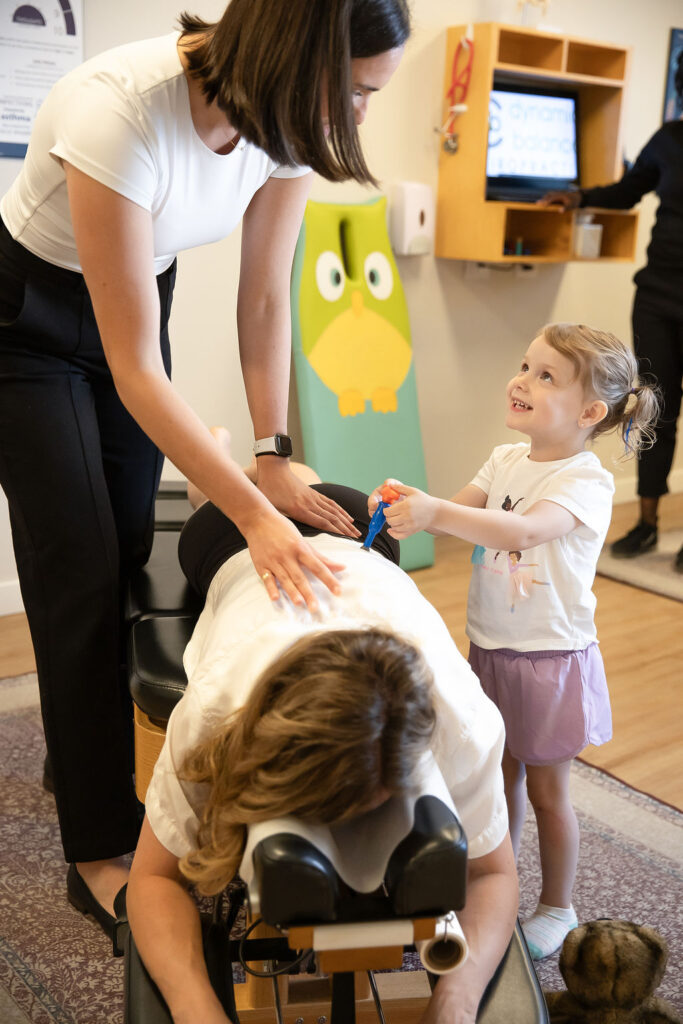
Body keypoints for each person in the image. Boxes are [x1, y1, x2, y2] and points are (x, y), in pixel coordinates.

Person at [0, 0, 410, 929]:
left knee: (132, 538)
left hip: (134, 296)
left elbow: (264, 301)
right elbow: (135, 366)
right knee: (80, 568)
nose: (359, 112)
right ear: (294, 59)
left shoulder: (284, 128)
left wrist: (273, 461)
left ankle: (84, 746)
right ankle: (97, 850)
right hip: (27, 324)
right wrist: (258, 522)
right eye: (352, 89)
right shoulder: (120, 108)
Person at [126, 470, 518, 1024]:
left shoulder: (461, 718)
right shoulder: (217, 712)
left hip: (357, 534)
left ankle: (281, 475)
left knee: (299, 479)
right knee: (217, 486)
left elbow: (494, 874)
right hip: (236, 541)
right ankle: (225, 460)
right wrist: (197, 1008)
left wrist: (457, 996)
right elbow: (153, 877)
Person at [370, 322, 660, 960]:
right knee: (496, 778)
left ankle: (558, 904)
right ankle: (492, 878)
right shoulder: (504, 459)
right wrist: (410, 503)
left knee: (549, 791)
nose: (522, 381)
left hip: (549, 662)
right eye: (524, 365)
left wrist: (436, 513)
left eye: (545, 376)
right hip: (491, 650)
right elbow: (457, 513)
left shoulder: (586, 481)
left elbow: (521, 532)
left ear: (590, 412)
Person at [538, 49, 683, 571]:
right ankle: (646, 523)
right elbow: (627, 191)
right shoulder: (669, 139)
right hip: (659, 295)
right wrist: (576, 197)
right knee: (654, 412)